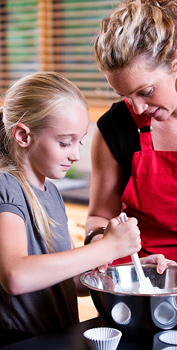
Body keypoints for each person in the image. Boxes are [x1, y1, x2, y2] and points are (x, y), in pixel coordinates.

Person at [85, 0, 177, 285]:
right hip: (150, 287)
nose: (138, 109)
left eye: (146, 91)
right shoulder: (114, 129)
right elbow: (98, 218)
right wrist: (100, 242)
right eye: (127, 97)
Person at [0, 71, 148, 346]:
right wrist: (105, 248)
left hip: (57, 337)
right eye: (64, 142)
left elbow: (74, 282)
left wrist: (131, 272)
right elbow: (16, 276)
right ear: (22, 135)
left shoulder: (51, 193)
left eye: (78, 142)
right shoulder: (6, 186)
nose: (76, 155)